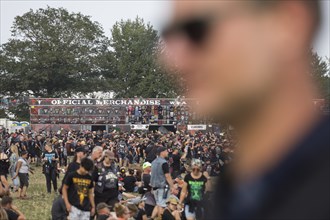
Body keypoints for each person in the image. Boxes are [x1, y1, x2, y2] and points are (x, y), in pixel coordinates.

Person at [161, 1, 329, 219]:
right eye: (170, 36)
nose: (173, 60)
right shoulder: (236, 194)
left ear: (288, 23)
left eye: (197, 30)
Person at [150, 147, 174, 218]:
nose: (167, 152)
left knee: (158, 204)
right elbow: (167, 176)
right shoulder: (164, 162)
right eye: (166, 151)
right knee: (162, 206)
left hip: (154, 186)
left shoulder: (153, 162)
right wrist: (172, 186)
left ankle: (152, 218)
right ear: (162, 152)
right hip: (162, 187)